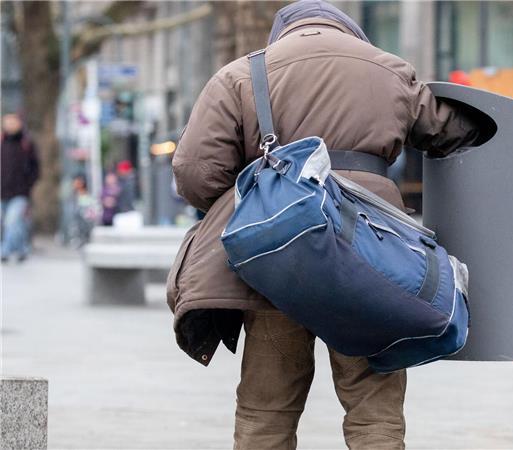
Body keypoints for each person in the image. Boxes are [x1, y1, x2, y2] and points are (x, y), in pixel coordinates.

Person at [168, 1, 481, 448]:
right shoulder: (390, 70)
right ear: (351, 32)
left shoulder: (241, 75)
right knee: (374, 412)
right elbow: (454, 131)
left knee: (266, 411)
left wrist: (257, 196)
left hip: (277, 263)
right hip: (371, 257)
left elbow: (197, 172)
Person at [1, 113, 39, 263]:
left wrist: (27, 185)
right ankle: (22, 249)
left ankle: (4, 251)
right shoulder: (1, 142)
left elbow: (36, 168)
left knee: (12, 221)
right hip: (2, 191)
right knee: (15, 223)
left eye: (13, 122)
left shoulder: (26, 143)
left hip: (20, 192)